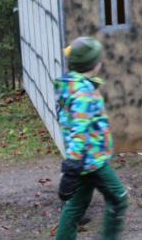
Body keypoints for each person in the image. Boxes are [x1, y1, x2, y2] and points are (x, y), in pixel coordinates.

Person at [54, 37, 128, 240]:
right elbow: (79, 131)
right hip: (92, 161)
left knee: (75, 207)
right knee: (119, 199)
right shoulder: (83, 94)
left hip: (83, 161)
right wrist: (72, 167)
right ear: (94, 65)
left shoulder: (71, 85)